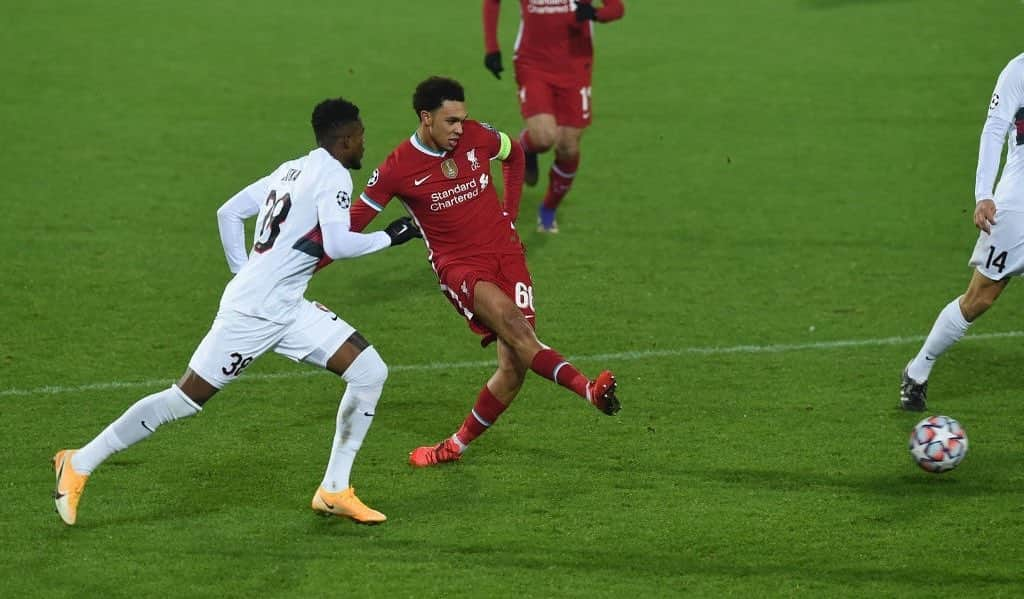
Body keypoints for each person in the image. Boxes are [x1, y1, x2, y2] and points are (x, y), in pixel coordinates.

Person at [52, 98, 422, 525]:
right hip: (252, 315)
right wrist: (389, 239)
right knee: (185, 400)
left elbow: (228, 212)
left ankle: (334, 489)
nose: (363, 144)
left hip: (286, 308)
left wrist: (246, 272)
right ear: (343, 141)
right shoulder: (334, 175)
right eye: (359, 138)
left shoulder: (290, 169)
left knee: (369, 372)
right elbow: (338, 245)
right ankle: (79, 461)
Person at [349, 76, 620, 468]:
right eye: (451, 121)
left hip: (507, 255)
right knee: (516, 327)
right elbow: (350, 224)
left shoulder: (478, 136)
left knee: (513, 368)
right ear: (426, 118)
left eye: (463, 119)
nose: (461, 129)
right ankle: (589, 390)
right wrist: (303, 255)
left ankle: (454, 446)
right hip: (460, 265)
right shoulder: (396, 168)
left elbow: (514, 155)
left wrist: (509, 214)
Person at [900, 53, 1024, 411]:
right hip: (1019, 199)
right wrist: (984, 194)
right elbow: (995, 127)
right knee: (980, 297)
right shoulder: (1018, 71)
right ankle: (918, 370)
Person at [482, 0, 625, 233]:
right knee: (544, 138)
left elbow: (616, 8)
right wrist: (491, 47)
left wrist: (596, 14)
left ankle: (548, 208)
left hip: (576, 67)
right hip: (533, 64)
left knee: (568, 146)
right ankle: (527, 147)